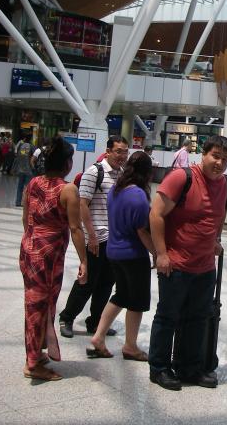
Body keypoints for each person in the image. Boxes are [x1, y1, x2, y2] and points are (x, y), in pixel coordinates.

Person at [148, 135, 227, 390]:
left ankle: (189, 368)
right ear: (203, 154)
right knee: (168, 317)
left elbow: (218, 215)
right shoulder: (181, 178)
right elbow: (156, 214)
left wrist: (215, 239)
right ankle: (159, 368)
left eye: (225, 159)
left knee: (197, 319)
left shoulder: (225, 184)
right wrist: (161, 254)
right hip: (176, 264)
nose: (219, 163)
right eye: (215, 156)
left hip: (205, 267)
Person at [19, 136, 87, 381]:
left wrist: (33, 241)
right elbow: (75, 228)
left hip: (30, 249)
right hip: (48, 256)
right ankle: (32, 363)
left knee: (40, 304)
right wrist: (84, 261)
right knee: (38, 307)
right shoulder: (68, 189)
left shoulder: (33, 183)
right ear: (67, 163)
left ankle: (37, 352)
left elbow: (25, 217)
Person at [87, 151, 155, 361]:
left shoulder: (115, 190)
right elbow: (142, 231)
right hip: (133, 255)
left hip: (113, 252)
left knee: (122, 295)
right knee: (137, 301)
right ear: (147, 173)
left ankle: (98, 337)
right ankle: (130, 346)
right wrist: (157, 253)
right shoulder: (138, 195)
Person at [59, 135, 128, 338]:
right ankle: (66, 317)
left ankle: (95, 322)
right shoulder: (94, 172)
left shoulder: (123, 174)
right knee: (87, 281)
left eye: (125, 152)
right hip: (97, 237)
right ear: (108, 151)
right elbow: (82, 204)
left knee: (106, 283)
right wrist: (92, 235)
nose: (122, 156)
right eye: (118, 151)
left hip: (114, 240)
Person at [14, 134, 34, 206]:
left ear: (25, 139)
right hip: (28, 170)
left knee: (20, 186)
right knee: (27, 187)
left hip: (20, 169)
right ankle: (23, 202)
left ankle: (18, 202)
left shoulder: (21, 146)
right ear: (30, 139)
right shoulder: (31, 146)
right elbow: (33, 158)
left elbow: (17, 155)